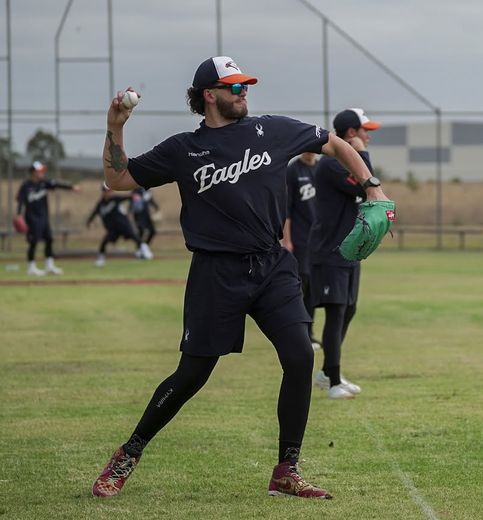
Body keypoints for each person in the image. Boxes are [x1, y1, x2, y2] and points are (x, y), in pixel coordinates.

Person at [91, 56, 390, 500]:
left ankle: (286, 469)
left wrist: (372, 187)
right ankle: (128, 453)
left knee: (299, 356)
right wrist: (116, 126)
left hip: (272, 265)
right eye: (234, 87)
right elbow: (117, 178)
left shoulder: (271, 130)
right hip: (216, 272)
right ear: (209, 95)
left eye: (245, 85)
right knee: (192, 374)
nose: (244, 92)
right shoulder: (183, 150)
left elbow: (336, 145)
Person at [309, 108, 382, 400]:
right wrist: (362, 153)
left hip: (349, 251)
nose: (368, 136)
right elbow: (366, 182)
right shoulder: (330, 165)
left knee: (349, 309)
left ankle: (327, 373)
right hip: (330, 251)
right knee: (336, 312)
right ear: (351, 134)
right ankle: (334, 380)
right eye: (365, 131)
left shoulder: (340, 163)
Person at [280, 152, 320, 350]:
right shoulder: (293, 171)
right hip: (300, 239)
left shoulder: (321, 168)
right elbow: (286, 209)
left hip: (319, 240)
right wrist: (287, 240)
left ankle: (310, 333)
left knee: (313, 286)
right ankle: (299, 333)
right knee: (301, 286)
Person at [15, 160, 80, 276]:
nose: (42, 173)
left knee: (49, 239)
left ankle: (49, 265)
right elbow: (20, 201)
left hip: (44, 218)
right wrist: (19, 214)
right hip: (32, 218)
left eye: (42, 171)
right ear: (33, 172)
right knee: (33, 242)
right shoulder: (26, 186)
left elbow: (56, 184)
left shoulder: (43, 183)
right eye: (39, 171)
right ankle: (31, 267)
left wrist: (71, 187)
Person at [86, 185, 153, 266]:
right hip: (113, 229)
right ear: (103, 192)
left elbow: (126, 197)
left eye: (110, 191)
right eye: (108, 191)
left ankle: (145, 251)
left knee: (135, 237)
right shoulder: (100, 204)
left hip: (123, 225)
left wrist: (134, 196)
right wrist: (89, 222)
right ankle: (101, 259)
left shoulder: (115, 199)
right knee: (104, 242)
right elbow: (94, 213)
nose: (110, 193)